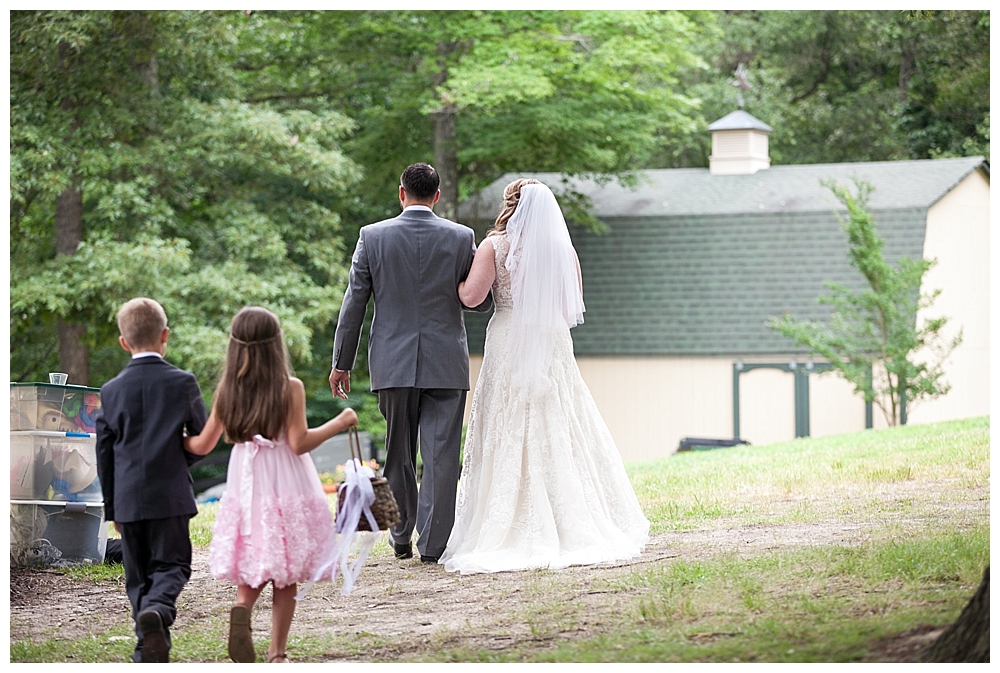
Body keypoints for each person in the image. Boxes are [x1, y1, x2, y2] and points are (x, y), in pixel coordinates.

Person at [438, 180, 651, 574]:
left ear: (510, 205)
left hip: (509, 337)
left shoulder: (494, 247)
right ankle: (570, 510)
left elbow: (470, 297)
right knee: (559, 416)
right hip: (551, 338)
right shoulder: (562, 249)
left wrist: (454, 281)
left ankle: (509, 517)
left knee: (510, 417)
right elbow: (573, 301)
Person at [330, 163, 493, 564]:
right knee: (440, 455)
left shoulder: (372, 237)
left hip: (392, 361)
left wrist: (341, 362)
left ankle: (401, 536)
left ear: (401, 193)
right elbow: (480, 299)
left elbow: (354, 304)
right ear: (436, 196)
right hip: (446, 362)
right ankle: (433, 546)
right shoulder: (461, 237)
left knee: (398, 450)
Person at [185, 306, 358, 663]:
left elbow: (202, 445)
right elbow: (298, 443)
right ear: (276, 345)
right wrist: (340, 421)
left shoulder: (227, 392)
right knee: (286, 568)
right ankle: (277, 653)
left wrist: (173, 440)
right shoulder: (289, 388)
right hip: (285, 480)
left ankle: (242, 608)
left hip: (246, 480)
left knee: (254, 553)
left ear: (235, 347)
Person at [95, 297, 217, 662]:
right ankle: (160, 613)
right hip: (171, 495)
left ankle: (144, 647)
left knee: (138, 577)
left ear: (123, 341)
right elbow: (201, 436)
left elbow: (104, 453)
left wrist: (112, 506)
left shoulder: (111, 390)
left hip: (129, 500)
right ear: (165, 335)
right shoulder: (182, 382)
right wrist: (181, 461)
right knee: (173, 566)